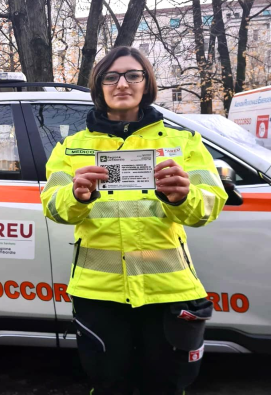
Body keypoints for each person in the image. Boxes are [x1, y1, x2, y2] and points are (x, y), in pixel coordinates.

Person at [41, 46, 227, 394]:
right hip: (99, 295)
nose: (122, 83)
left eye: (132, 75)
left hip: (167, 292)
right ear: (99, 87)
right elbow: (52, 207)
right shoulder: (71, 147)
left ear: (147, 83)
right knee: (110, 385)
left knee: (166, 386)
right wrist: (76, 197)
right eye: (111, 77)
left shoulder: (183, 142)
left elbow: (211, 206)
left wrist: (183, 197)